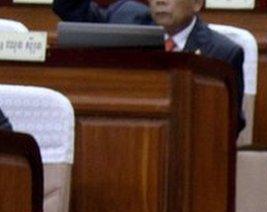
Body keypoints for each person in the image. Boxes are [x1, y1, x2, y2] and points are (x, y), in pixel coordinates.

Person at [53, 0, 245, 133]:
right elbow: (70, 7)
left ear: (197, 3)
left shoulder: (222, 53)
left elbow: (230, 125)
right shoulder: (124, 18)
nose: (160, 1)